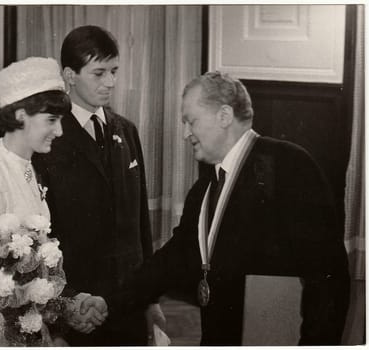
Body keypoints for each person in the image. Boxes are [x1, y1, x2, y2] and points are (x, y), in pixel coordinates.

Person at [100, 71, 351, 345]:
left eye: (191, 121)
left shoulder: (289, 166)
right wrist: (109, 303)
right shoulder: (204, 188)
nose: (186, 133)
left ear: (223, 116)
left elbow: (328, 280)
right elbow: (172, 260)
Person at [0, 56, 105, 346]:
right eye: (51, 120)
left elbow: (31, 272)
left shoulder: (27, 167)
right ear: (22, 114)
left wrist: (70, 303)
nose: (59, 131)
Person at [32, 25, 163, 346]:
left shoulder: (127, 131)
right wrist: (63, 306)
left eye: (114, 71)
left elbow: (141, 223)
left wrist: (150, 296)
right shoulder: (48, 138)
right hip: (78, 305)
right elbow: (40, 234)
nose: (111, 83)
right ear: (69, 75)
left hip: (128, 300)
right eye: (99, 73)